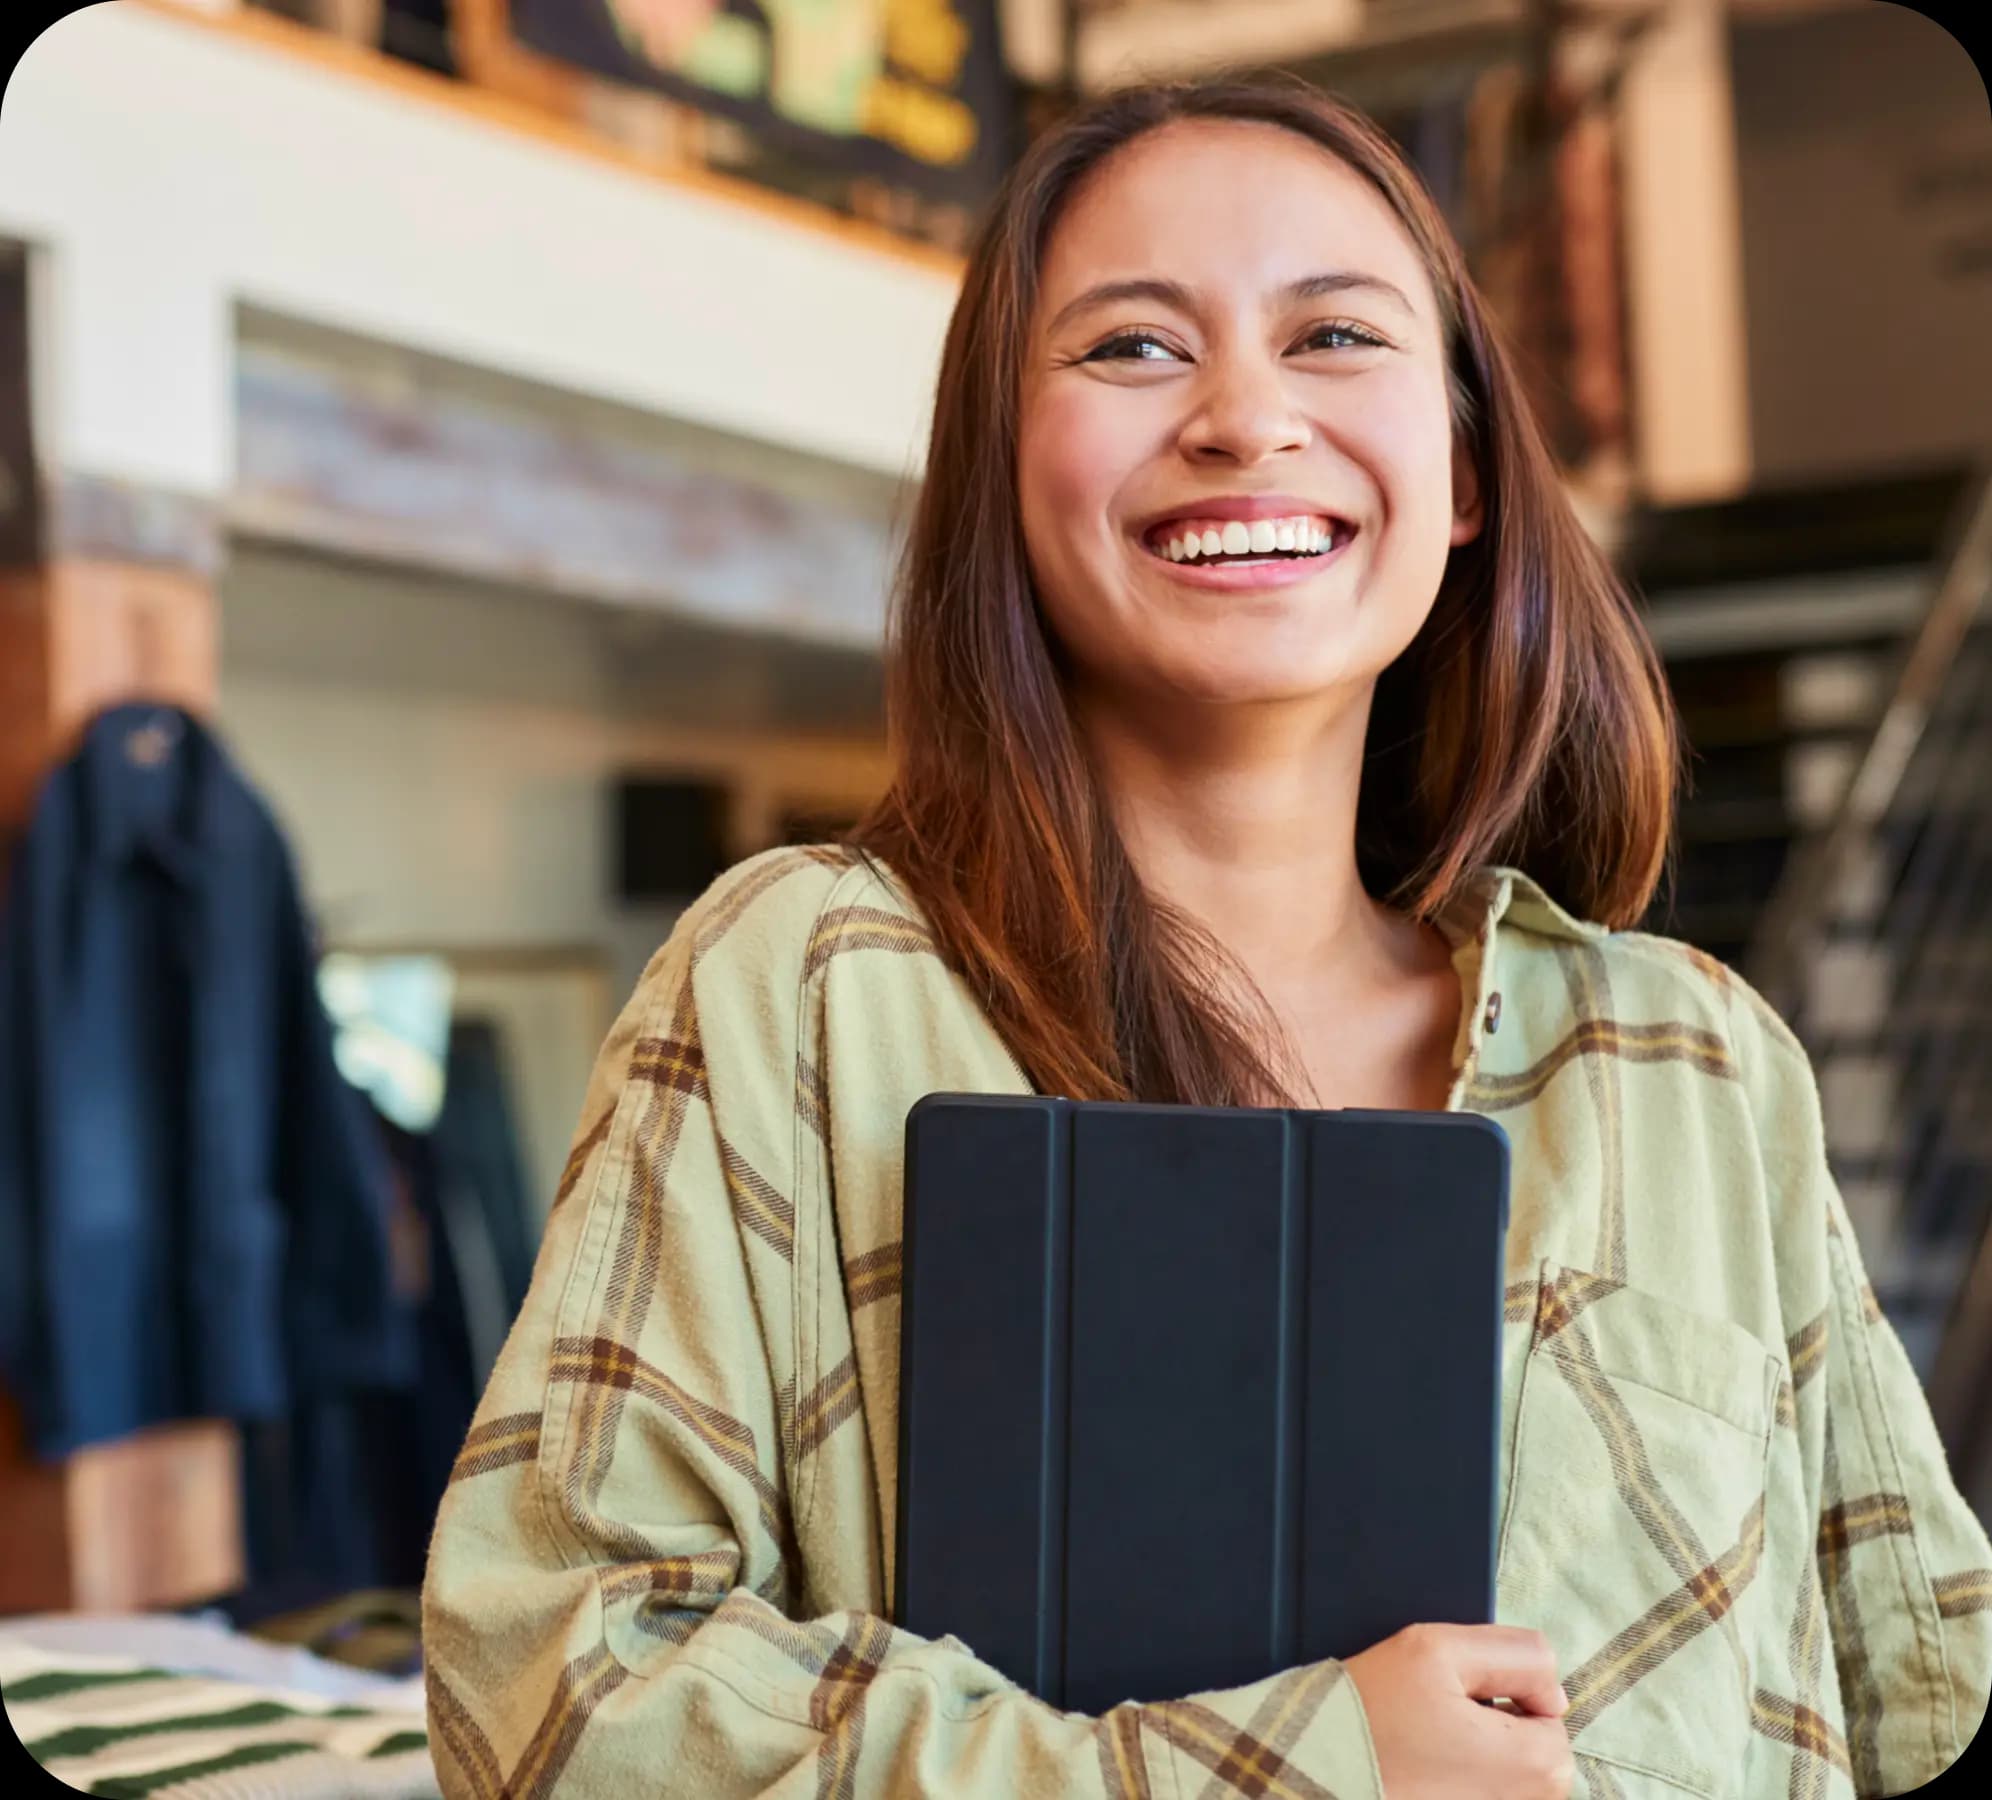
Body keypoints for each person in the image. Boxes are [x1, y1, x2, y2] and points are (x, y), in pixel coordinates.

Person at [421, 77, 1991, 1799]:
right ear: (1006, 476)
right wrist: (1288, 1768)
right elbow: (555, 1684)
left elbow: (1916, 1672)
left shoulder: (1696, 1057)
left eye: (1334, 334)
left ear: (1462, 471)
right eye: (1132, 349)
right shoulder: (802, 990)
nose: (1247, 418)